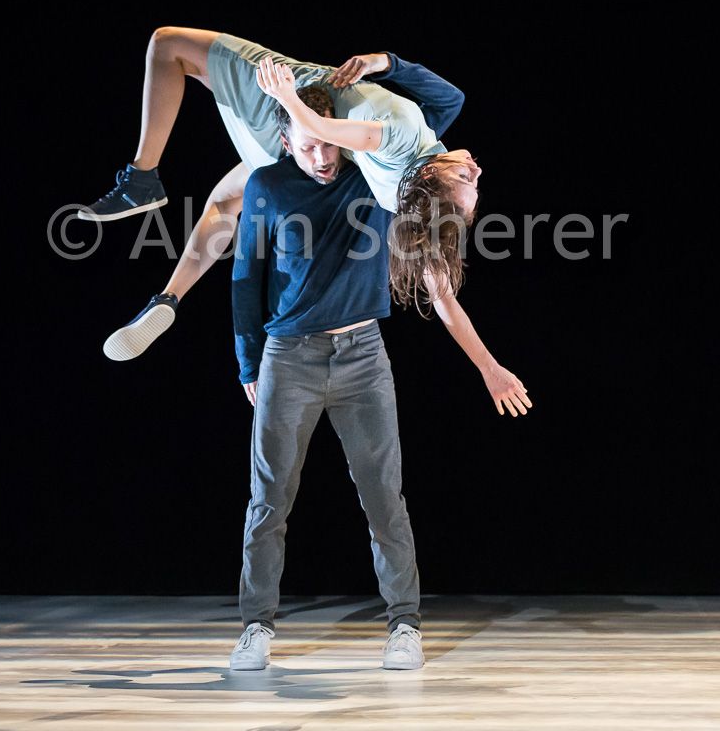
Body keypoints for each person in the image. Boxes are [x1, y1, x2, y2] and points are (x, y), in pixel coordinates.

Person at [226, 87, 531, 673]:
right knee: (269, 499)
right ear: (286, 141)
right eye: (307, 147)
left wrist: (489, 367)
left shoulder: (375, 177)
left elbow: (440, 289)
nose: (322, 158)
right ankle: (256, 626)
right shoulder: (268, 185)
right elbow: (246, 276)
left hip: (362, 356)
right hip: (288, 357)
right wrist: (248, 363)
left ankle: (404, 625)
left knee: (384, 497)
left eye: (328, 144)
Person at [84, 30, 519, 414]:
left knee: (167, 45)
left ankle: (142, 179)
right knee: (223, 204)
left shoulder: (403, 130)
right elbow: (443, 297)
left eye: (466, 178)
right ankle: (168, 296)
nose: (476, 170)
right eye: (473, 181)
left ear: (431, 178)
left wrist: (288, 95)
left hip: (297, 120)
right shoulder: (407, 203)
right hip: (293, 154)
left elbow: (330, 130)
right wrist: (489, 367)